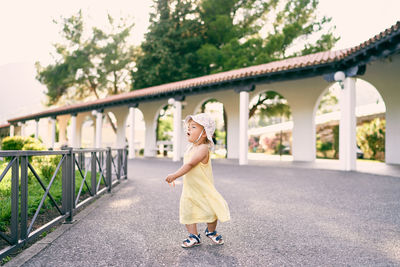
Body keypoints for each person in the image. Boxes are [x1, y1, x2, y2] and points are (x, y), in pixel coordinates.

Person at [165, 113, 230, 248]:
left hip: (203, 188)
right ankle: (193, 236)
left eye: (193, 127)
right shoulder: (191, 147)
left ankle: (211, 231)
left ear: (204, 133)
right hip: (190, 188)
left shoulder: (203, 149)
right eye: (188, 127)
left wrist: (175, 175)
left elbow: (189, 165)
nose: (188, 129)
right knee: (188, 210)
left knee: (212, 211)